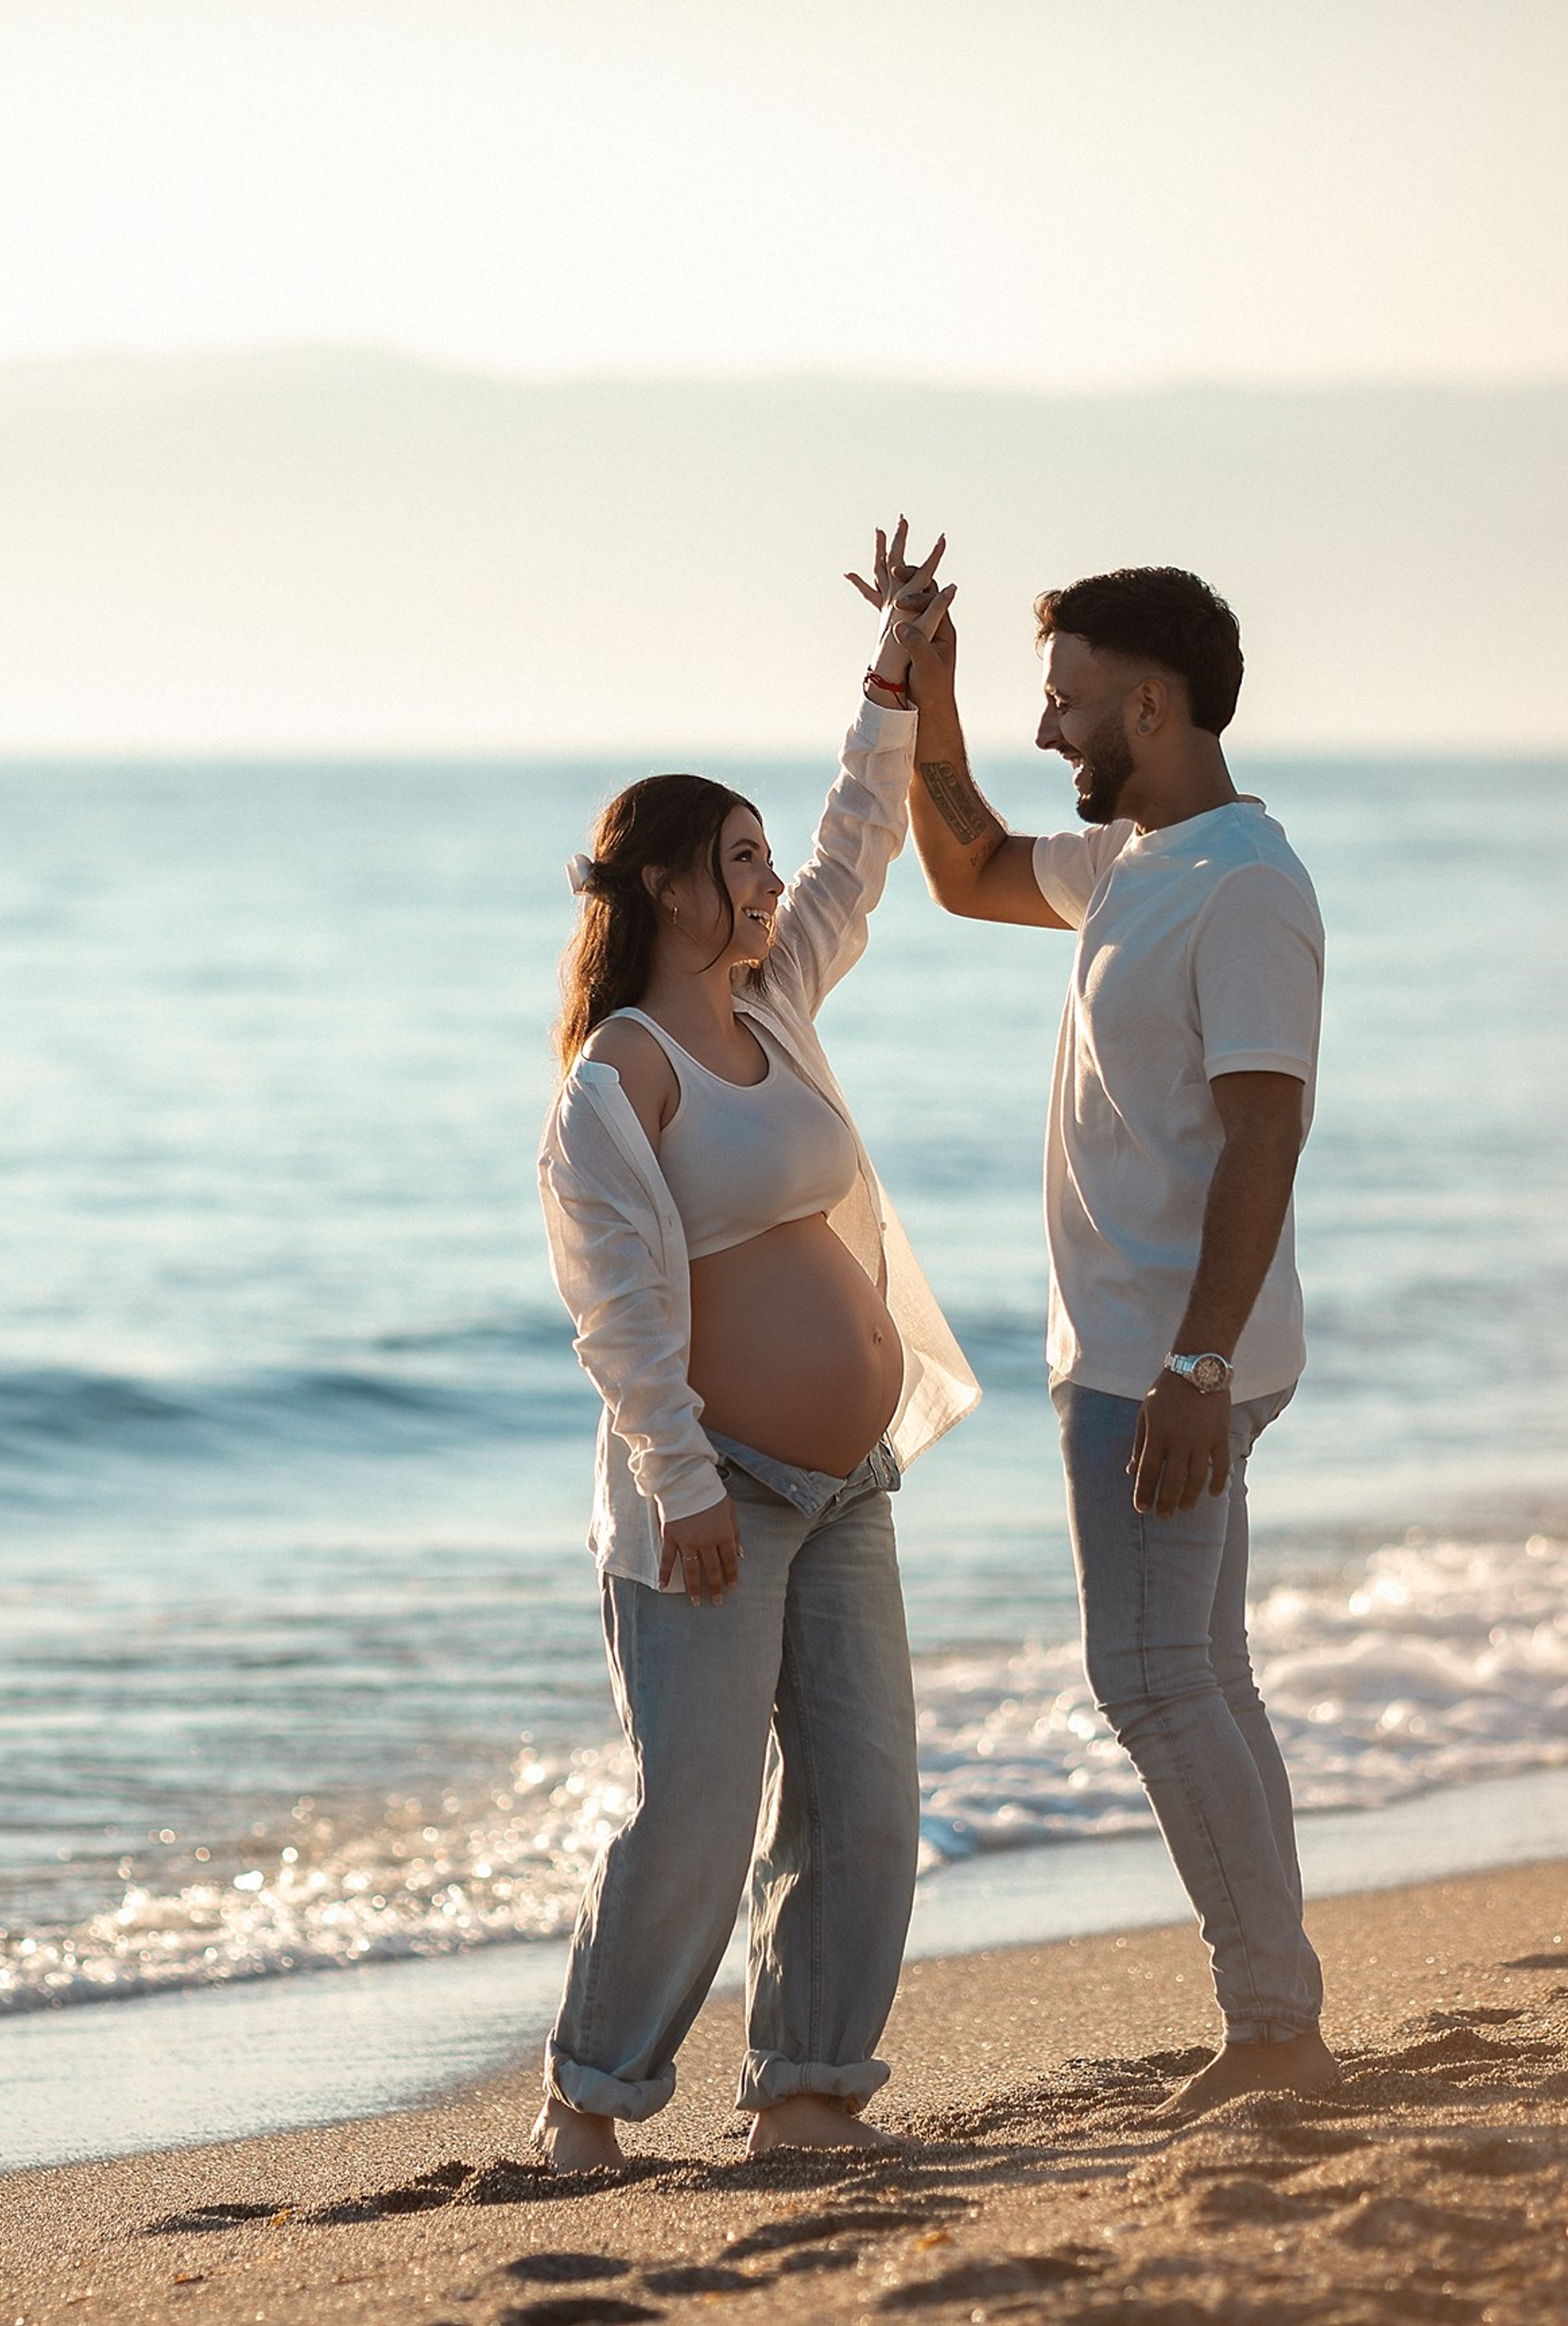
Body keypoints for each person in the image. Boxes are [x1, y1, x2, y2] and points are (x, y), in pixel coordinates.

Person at [531, 525, 979, 2170]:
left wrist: (891, 682)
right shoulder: (621, 1079)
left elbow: (865, 843)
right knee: (697, 1819)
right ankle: (591, 2094)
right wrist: (682, 1481)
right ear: (661, 884)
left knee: (868, 1804)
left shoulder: (775, 998)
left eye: (762, 857)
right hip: (711, 1497)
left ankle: (806, 2092)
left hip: (847, 1480)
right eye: (736, 860)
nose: (770, 880)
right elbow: (621, 1312)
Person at [888, 561, 1337, 2117]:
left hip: (1168, 1362)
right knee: (1206, 1676)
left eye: (1068, 698)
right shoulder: (1137, 860)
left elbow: (1267, 1140)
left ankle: (1275, 2025)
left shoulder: (1245, 888)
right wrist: (923, 686)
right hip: (1157, 1351)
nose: (1045, 723)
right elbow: (964, 868)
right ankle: (1282, 2009)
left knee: (1151, 1682)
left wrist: (1196, 1371)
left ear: (1154, 704)